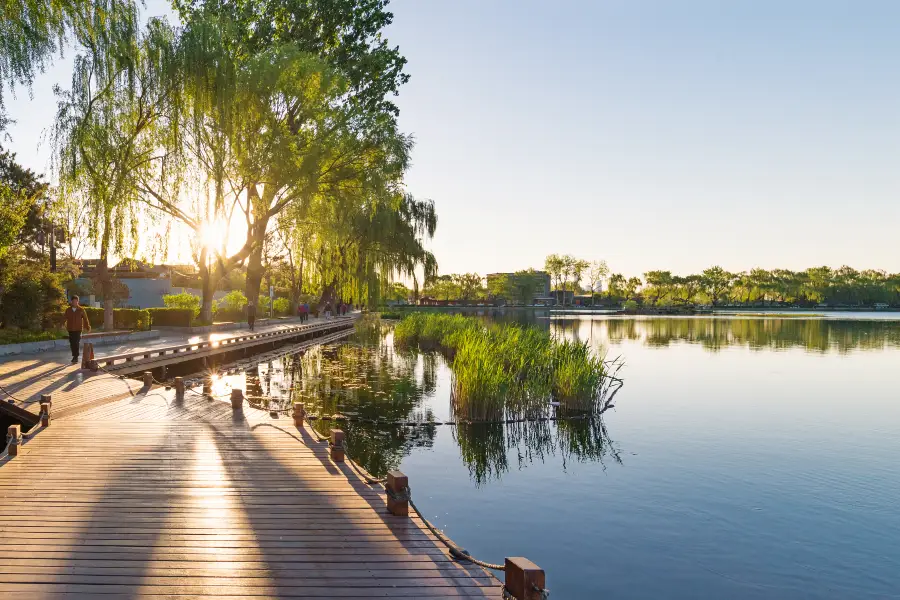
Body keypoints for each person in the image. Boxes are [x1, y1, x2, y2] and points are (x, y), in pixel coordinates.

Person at [64, 295, 91, 364]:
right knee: (72, 343)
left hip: (78, 329)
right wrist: (61, 324)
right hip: (70, 329)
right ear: (71, 302)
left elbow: (85, 319)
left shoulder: (81, 310)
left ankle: (75, 357)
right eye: (73, 301)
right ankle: (74, 355)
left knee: (76, 342)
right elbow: (64, 318)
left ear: (78, 302)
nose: (75, 303)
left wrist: (87, 326)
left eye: (76, 301)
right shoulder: (68, 310)